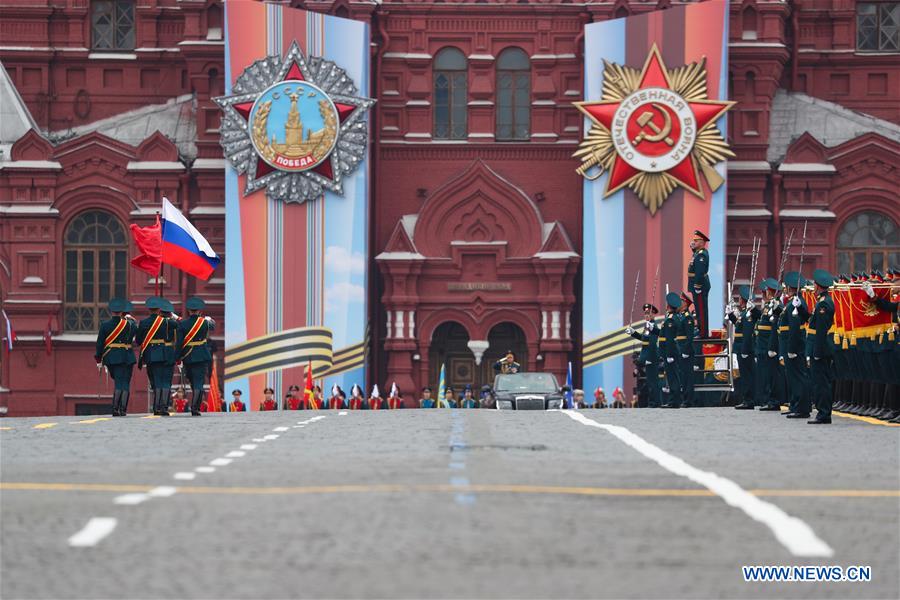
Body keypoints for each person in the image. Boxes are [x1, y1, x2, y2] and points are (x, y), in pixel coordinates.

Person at [94, 297, 137, 417]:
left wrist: (99, 358)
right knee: (125, 383)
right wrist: (132, 321)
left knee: (118, 382)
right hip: (128, 356)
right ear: (122, 311)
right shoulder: (130, 325)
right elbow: (136, 334)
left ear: (111, 311)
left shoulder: (105, 325)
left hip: (113, 357)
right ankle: (123, 409)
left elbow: (100, 343)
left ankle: (115, 409)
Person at [779, 272, 811, 419]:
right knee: (792, 376)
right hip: (790, 344)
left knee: (798, 376)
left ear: (791, 288)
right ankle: (795, 404)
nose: (785, 290)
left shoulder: (796, 302)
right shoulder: (793, 301)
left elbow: (794, 326)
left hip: (794, 345)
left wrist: (791, 348)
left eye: (786, 287)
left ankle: (801, 407)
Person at [807, 269, 836, 424]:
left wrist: (816, 351)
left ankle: (824, 413)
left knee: (822, 383)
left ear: (818, 286)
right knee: (819, 381)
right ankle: (822, 412)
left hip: (822, 349)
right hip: (820, 348)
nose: (813, 287)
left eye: (814, 284)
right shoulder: (822, 301)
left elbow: (821, 331)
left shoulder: (824, 304)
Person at [177, 296, 215, 416]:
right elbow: (213, 326)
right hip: (202, 355)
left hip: (188, 356)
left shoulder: (183, 324)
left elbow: (179, 343)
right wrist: (209, 319)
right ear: (200, 311)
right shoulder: (204, 323)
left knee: (193, 381)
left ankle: (195, 405)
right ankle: (195, 407)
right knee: (199, 382)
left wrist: (177, 357)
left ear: (188, 311)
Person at [728, 285, 759, 409]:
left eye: (740, 298)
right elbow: (739, 325)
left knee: (746, 375)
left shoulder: (748, 313)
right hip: (741, 347)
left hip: (744, 348)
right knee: (745, 374)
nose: (738, 301)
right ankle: (747, 399)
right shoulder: (744, 313)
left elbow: (747, 332)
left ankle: (748, 400)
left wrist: (745, 349)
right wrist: (731, 315)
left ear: (743, 300)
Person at [626, 303, 661, 408]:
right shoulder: (647, 326)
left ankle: (655, 403)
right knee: (649, 381)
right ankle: (652, 402)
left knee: (653, 381)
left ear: (654, 315)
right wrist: (633, 333)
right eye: (645, 313)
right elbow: (643, 338)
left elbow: (653, 343)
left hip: (652, 356)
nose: (646, 315)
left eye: (649, 313)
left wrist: (649, 358)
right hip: (646, 355)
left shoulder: (653, 326)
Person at [754, 278, 781, 412]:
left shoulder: (776, 305)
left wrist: (772, 346)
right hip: (762, 344)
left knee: (771, 375)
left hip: (769, 344)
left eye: (765, 292)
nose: (764, 294)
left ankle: (773, 400)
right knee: (765, 375)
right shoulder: (768, 306)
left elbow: (774, 326)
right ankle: (767, 399)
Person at [660, 292, 684, 408]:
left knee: (672, 377)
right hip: (670, 351)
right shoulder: (671, 318)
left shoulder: (670, 320)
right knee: (672, 376)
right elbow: (662, 334)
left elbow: (669, 338)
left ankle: (674, 401)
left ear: (669, 305)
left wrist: (669, 354)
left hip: (670, 351)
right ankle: (673, 400)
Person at [687, 229, 711, 338]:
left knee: (701, 310)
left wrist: (697, 285)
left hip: (699, 286)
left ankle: (703, 333)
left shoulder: (702, 255)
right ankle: (701, 330)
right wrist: (693, 249)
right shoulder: (698, 253)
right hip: (696, 285)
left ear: (702, 242)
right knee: (698, 309)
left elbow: (700, 272)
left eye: (696, 241)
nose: (694, 242)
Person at [678, 292, 697, 408]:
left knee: (687, 376)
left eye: (681, 301)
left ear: (685, 303)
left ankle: (688, 400)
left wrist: (685, 351)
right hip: (680, 348)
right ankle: (684, 398)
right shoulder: (680, 316)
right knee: (683, 375)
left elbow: (689, 337)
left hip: (686, 350)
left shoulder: (688, 318)